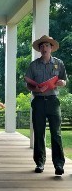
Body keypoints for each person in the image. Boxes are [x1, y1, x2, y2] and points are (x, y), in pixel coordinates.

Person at [25, 35, 67, 175]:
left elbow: (64, 81)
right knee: (38, 133)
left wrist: (61, 83)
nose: (44, 48)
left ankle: (59, 165)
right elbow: (28, 84)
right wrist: (34, 88)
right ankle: (40, 163)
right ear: (39, 49)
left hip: (53, 101)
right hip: (38, 102)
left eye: (46, 46)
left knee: (56, 133)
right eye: (41, 46)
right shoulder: (33, 65)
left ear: (51, 48)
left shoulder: (59, 63)